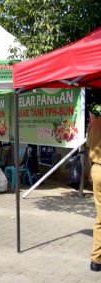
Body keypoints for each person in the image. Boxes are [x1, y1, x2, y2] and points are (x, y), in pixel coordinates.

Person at [87, 116, 101, 272]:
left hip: (97, 169)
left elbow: (90, 146)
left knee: (100, 218)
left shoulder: (94, 124)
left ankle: (96, 260)